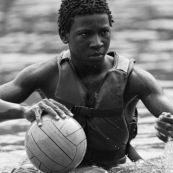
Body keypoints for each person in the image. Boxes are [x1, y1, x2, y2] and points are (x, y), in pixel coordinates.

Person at [0, 0, 173, 172]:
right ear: (64, 35)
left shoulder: (136, 79)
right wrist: (23, 111)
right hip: (50, 166)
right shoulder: (42, 74)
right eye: (85, 34)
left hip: (113, 168)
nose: (97, 42)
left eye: (104, 32)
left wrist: (169, 130)